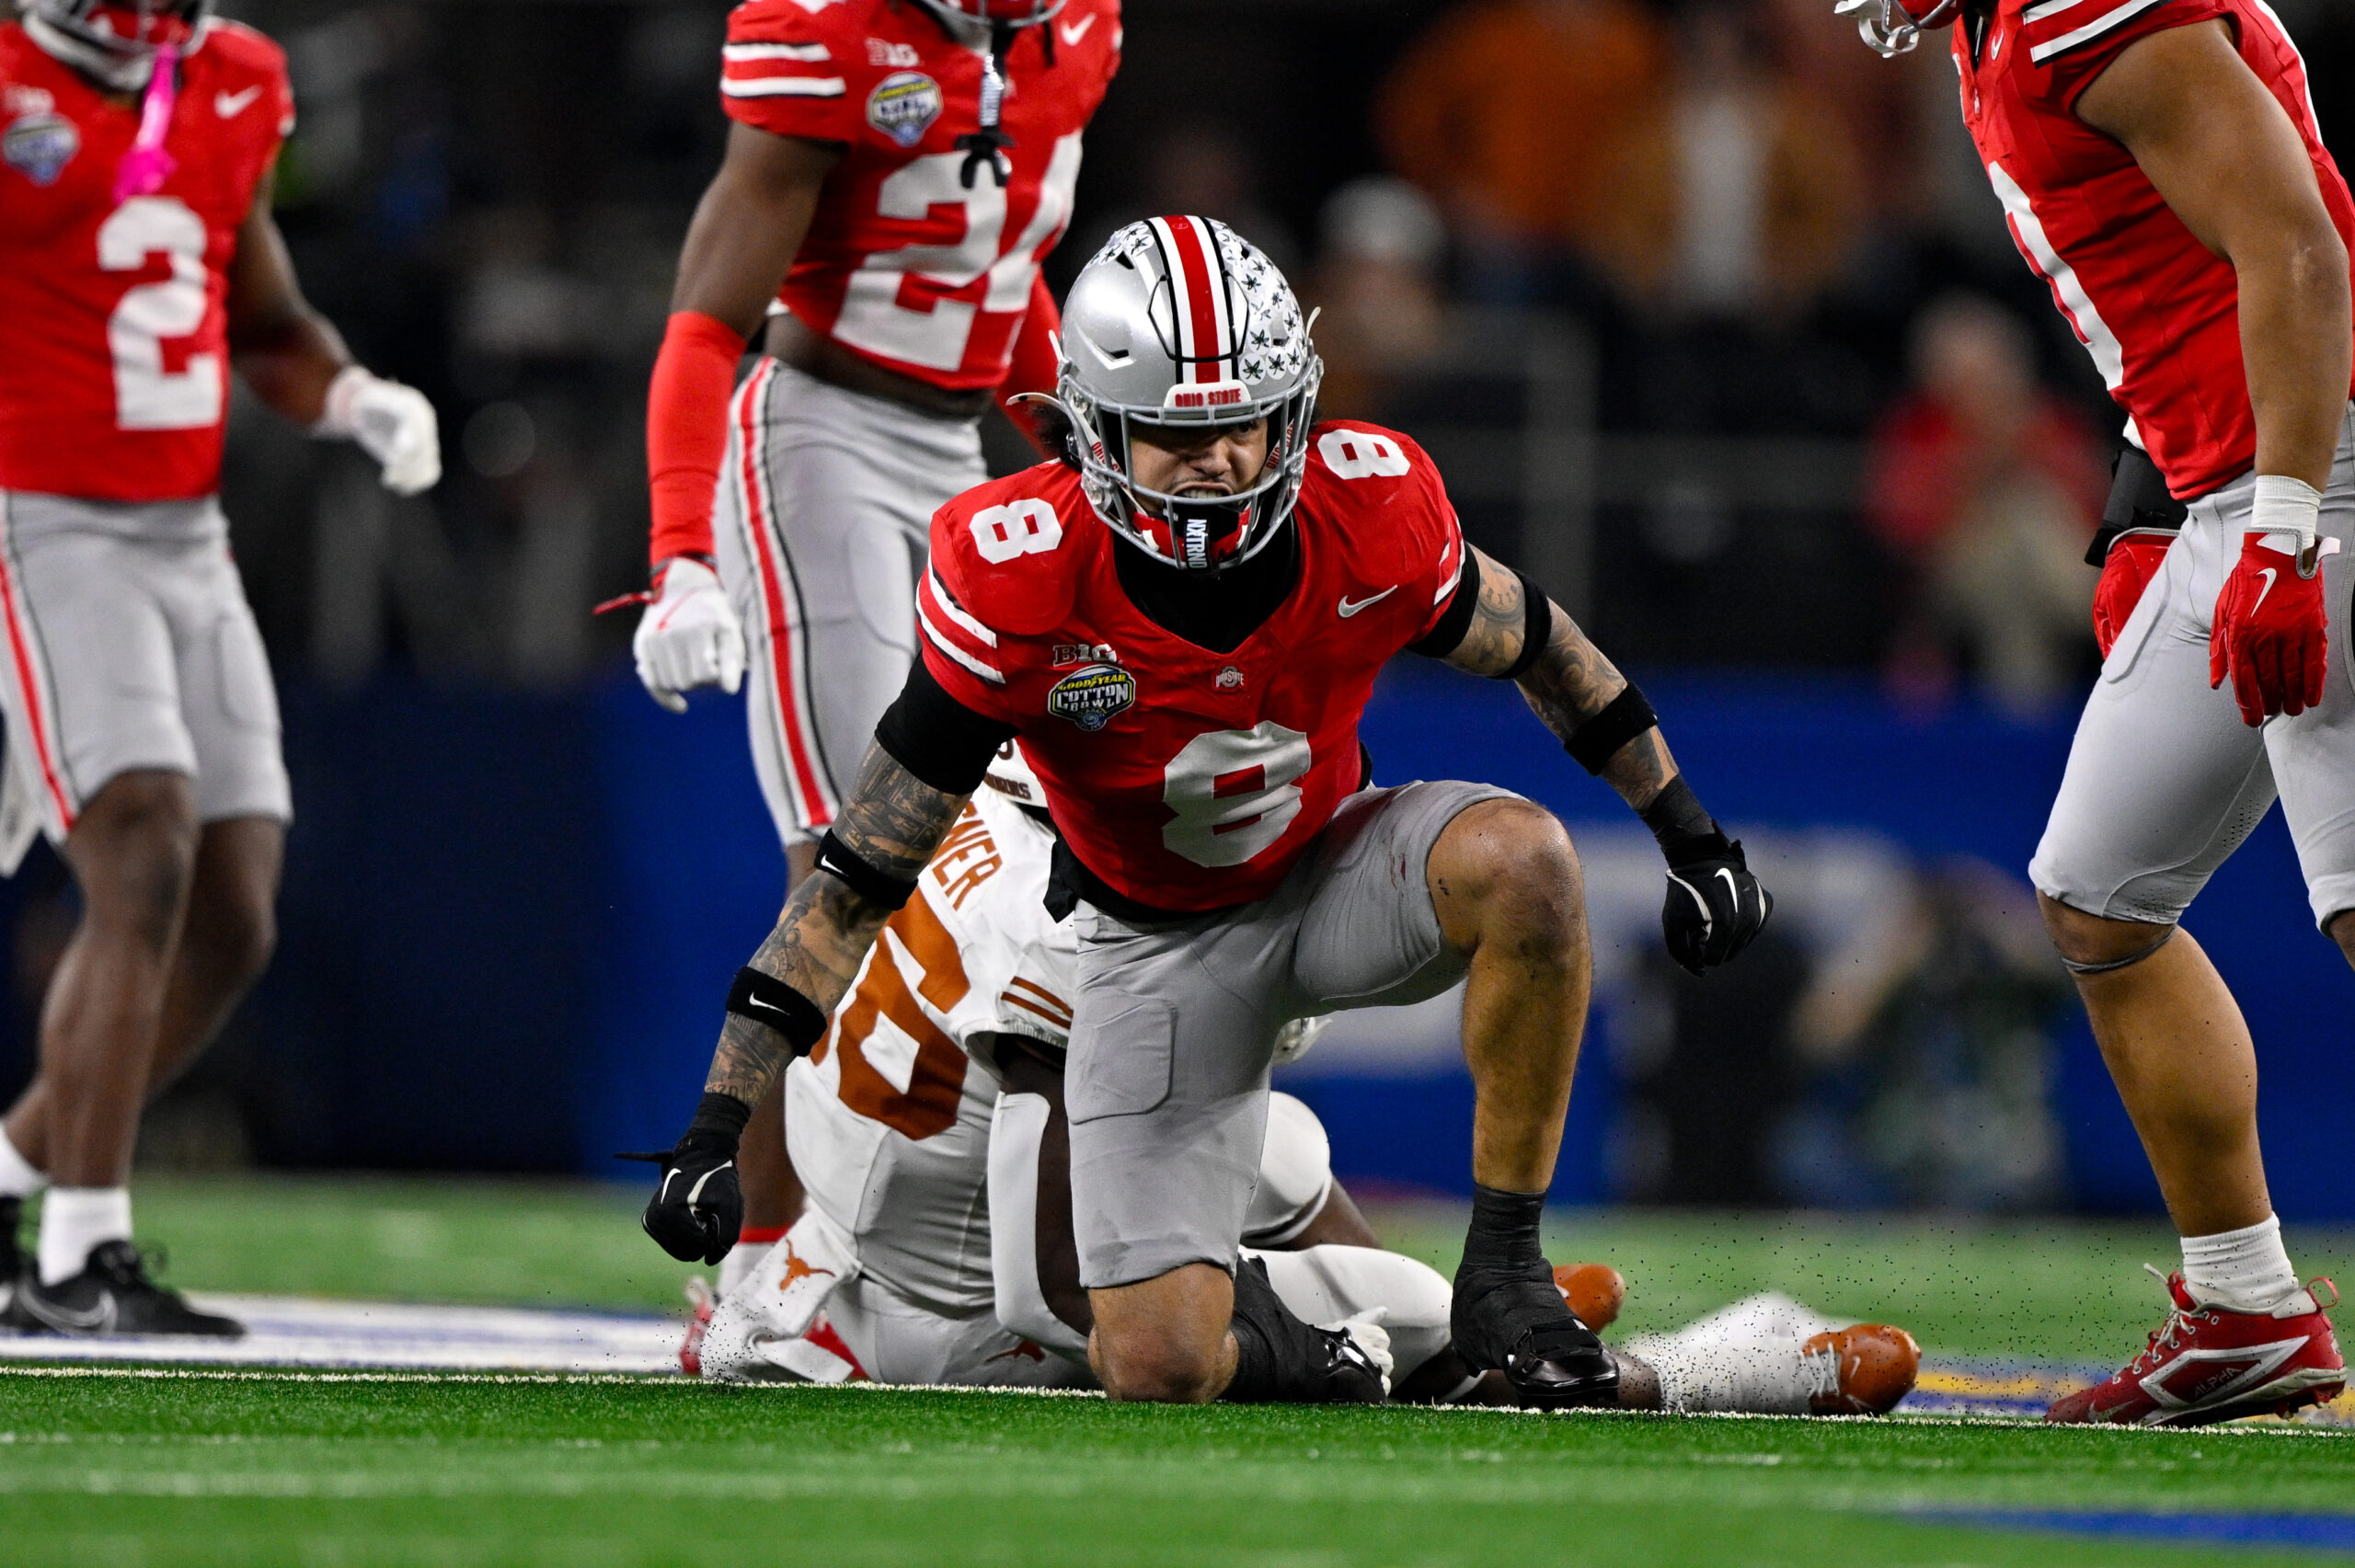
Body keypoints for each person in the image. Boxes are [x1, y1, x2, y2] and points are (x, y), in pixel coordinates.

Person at [634, 216, 1775, 1407]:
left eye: (1241, 424)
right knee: (1161, 1361)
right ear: (1091, 431)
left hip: (1327, 873)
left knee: (1527, 859)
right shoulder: (1020, 577)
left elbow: (1540, 642)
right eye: (1175, 434)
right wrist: (714, 1125)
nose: (1218, 461)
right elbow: (855, 873)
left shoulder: (1371, 504)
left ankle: (1504, 1275)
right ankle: (1376, 1329)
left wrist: (1689, 834)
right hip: (1149, 955)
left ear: (1295, 412)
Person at [686, 757, 1916, 1416]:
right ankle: (1660, 1374)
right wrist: (1292, 1343)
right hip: (957, 1317)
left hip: (843, 1248)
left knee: (1278, 1139)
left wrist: (763, 1237)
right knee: (1375, 1298)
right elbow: (1049, 1282)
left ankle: (1458, 1324)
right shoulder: (1066, 913)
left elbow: (791, 990)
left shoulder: (963, 790)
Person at [1838, 0, 2352, 1424]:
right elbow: (2176, 274)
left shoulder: (2080, 10)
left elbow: (2296, 241)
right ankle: (2248, 1306)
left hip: (2310, 465)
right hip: (2227, 482)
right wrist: (2157, 512)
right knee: (2099, 896)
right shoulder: (2009, 26)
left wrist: (2294, 527)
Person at [623, 0, 1120, 1284]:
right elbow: (700, 324)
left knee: (973, 866)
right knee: (857, 859)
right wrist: (679, 555)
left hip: (958, 459)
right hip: (819, 441)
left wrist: (1100, 460)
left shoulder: (1073, 36)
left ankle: (887, 1242)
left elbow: (994, 297)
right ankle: (766, 1263)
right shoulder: (830, 35)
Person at [0, 0, 440, 1336]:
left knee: (233, 911)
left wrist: (354, 396)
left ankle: (14, 1173)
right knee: (139, 844)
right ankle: (82, 1248)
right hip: (35, 516)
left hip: (186, 532)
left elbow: (262, 318)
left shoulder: (231, 78)